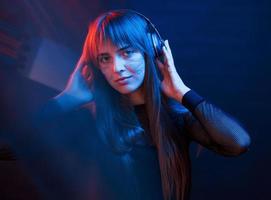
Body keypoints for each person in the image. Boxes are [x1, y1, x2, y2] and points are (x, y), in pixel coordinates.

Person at [33, 9, 251, 200]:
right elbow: (11, 146)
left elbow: (237, 142)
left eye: (127, 52)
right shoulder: (90, 117)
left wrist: (182, 92)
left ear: (153, 52)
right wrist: (67, 98)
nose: (116, 67)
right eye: (105, 59)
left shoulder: (177, 117)